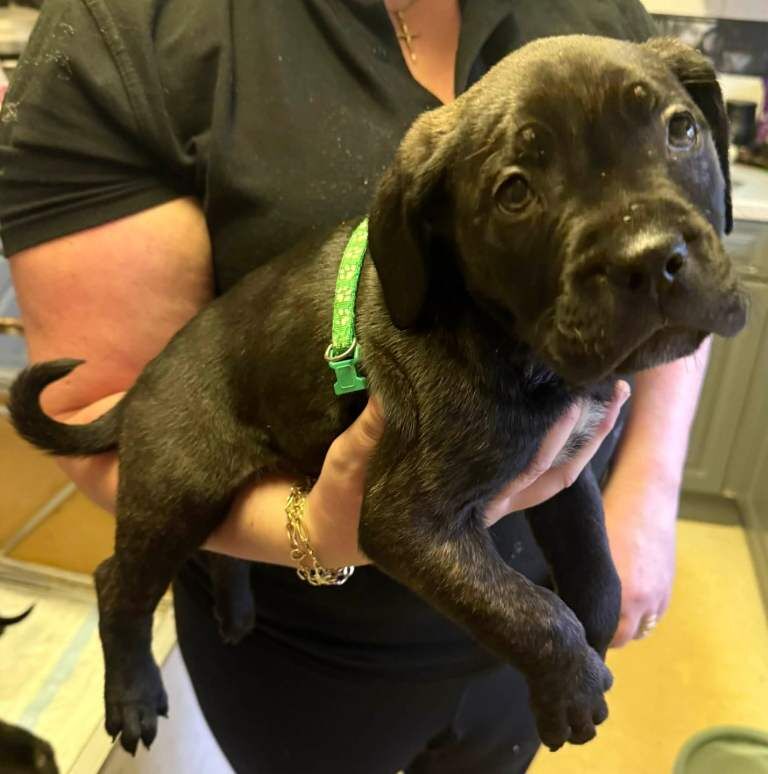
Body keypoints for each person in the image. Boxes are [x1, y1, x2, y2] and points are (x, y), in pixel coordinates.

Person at [0, 1, 711, 771]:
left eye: (678, 130)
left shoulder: (601, 16)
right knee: (174, 510)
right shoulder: (129, 27)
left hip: (496, 640)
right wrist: (553, 640)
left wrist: (645, 495)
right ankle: (127, 626)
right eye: (514, 191)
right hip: (301, 640)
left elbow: (563, 437)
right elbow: (401, 519)